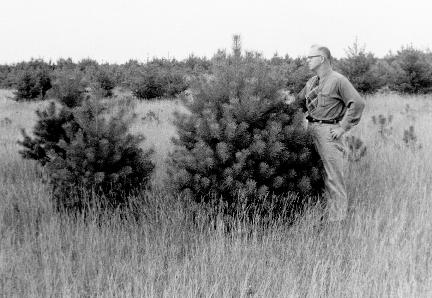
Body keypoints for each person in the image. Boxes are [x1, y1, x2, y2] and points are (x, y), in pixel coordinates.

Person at [295, 45, 365, 223]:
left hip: (329, 132)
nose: (307, 60)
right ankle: (319, 214)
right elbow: (298, 103)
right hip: (310, 129)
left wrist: (342, 127)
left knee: (333, 176)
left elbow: (357, 103)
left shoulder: (338, 80)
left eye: (310, 57)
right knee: (314, 174)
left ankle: (338, 220)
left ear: (322, 58)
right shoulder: (311, 82)